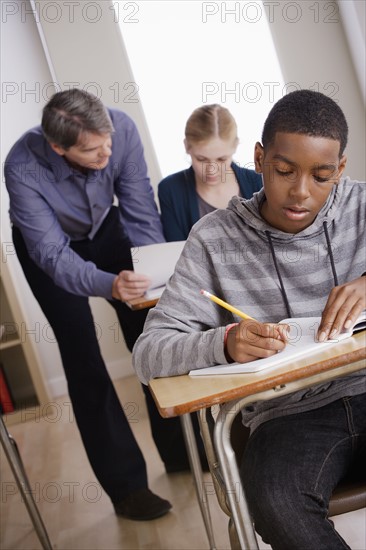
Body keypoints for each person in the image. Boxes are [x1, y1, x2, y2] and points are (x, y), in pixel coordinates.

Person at [133, 90, 366, 548]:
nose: (300, 192)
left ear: (339, 169)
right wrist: (224, 342)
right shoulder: (213, 239)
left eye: (321, 176)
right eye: (284, 171)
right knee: (274, 501)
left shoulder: (361, 205)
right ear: (259, 159)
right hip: (291, 417)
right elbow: (148, 354)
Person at [4, 88, 204, 521]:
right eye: (93, 150)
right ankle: (127, 488)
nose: (106, 153)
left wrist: (150, 277)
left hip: (105, 228)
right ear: (58, 147)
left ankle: (182, 452)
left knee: (154, 333)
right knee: (82, 356)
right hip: (50, 251)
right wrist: (109, 285)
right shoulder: (21, 167)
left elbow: (138, 208)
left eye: (107, 143)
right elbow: (53, 256)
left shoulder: (121, 128)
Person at [158, 104, 262, 241]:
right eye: (201, 159)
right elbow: (176, 254)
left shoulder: (260, 182)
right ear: (186, 146)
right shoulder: (170, 190)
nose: (212, 170)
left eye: (221, 159)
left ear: (235, 146)